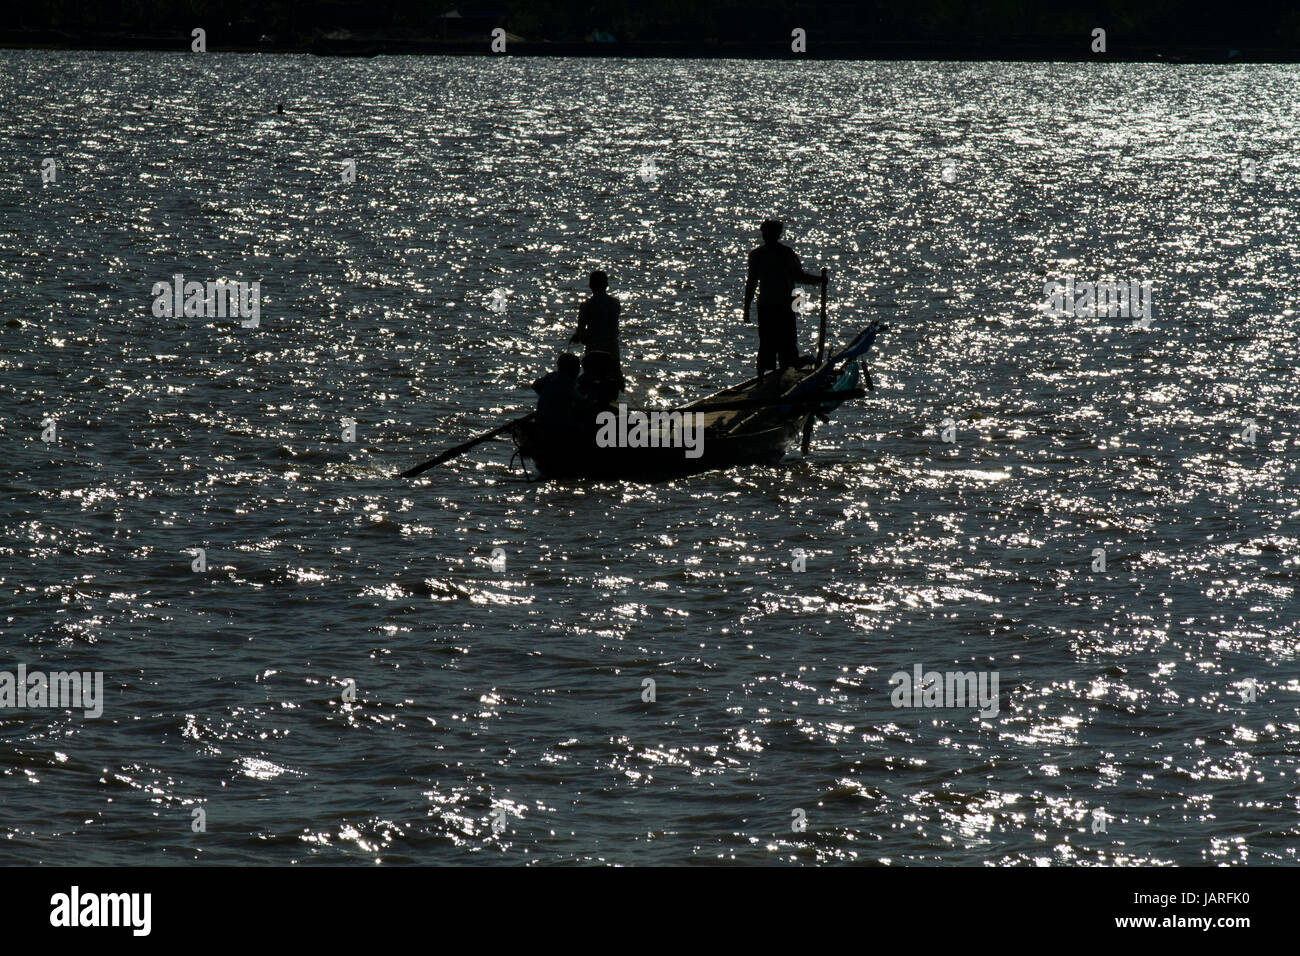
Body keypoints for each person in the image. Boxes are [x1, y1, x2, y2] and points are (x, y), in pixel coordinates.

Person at [743, 220, 827, 375]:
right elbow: (751, 284)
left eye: (771, 233)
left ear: (778, 234)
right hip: (770, 306)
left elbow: (798, 276)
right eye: (766, 233)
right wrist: (746, 308)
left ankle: (781, 375)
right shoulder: (759, 255)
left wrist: (819, 280)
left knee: (784, 345)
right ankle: (764, 380)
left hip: (781, 306)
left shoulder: (784, 254)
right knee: (768, 345)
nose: (768, 236)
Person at [571, 271, 622, 377]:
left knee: (589, 382)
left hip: (593, 352)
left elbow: (581, 332)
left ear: (590, 285)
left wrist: (579, 337)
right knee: (615, 381)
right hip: (612, 350)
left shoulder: (586, 305)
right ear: (606, 285)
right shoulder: (615, 303)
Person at [532, 352, 582, 429]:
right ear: (573, 369)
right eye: (578, 367)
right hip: (559, 426)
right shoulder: (568, 383)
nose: (578, 371)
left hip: (540, 422)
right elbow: (580, 402)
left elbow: (535, 385)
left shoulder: (551, 376)